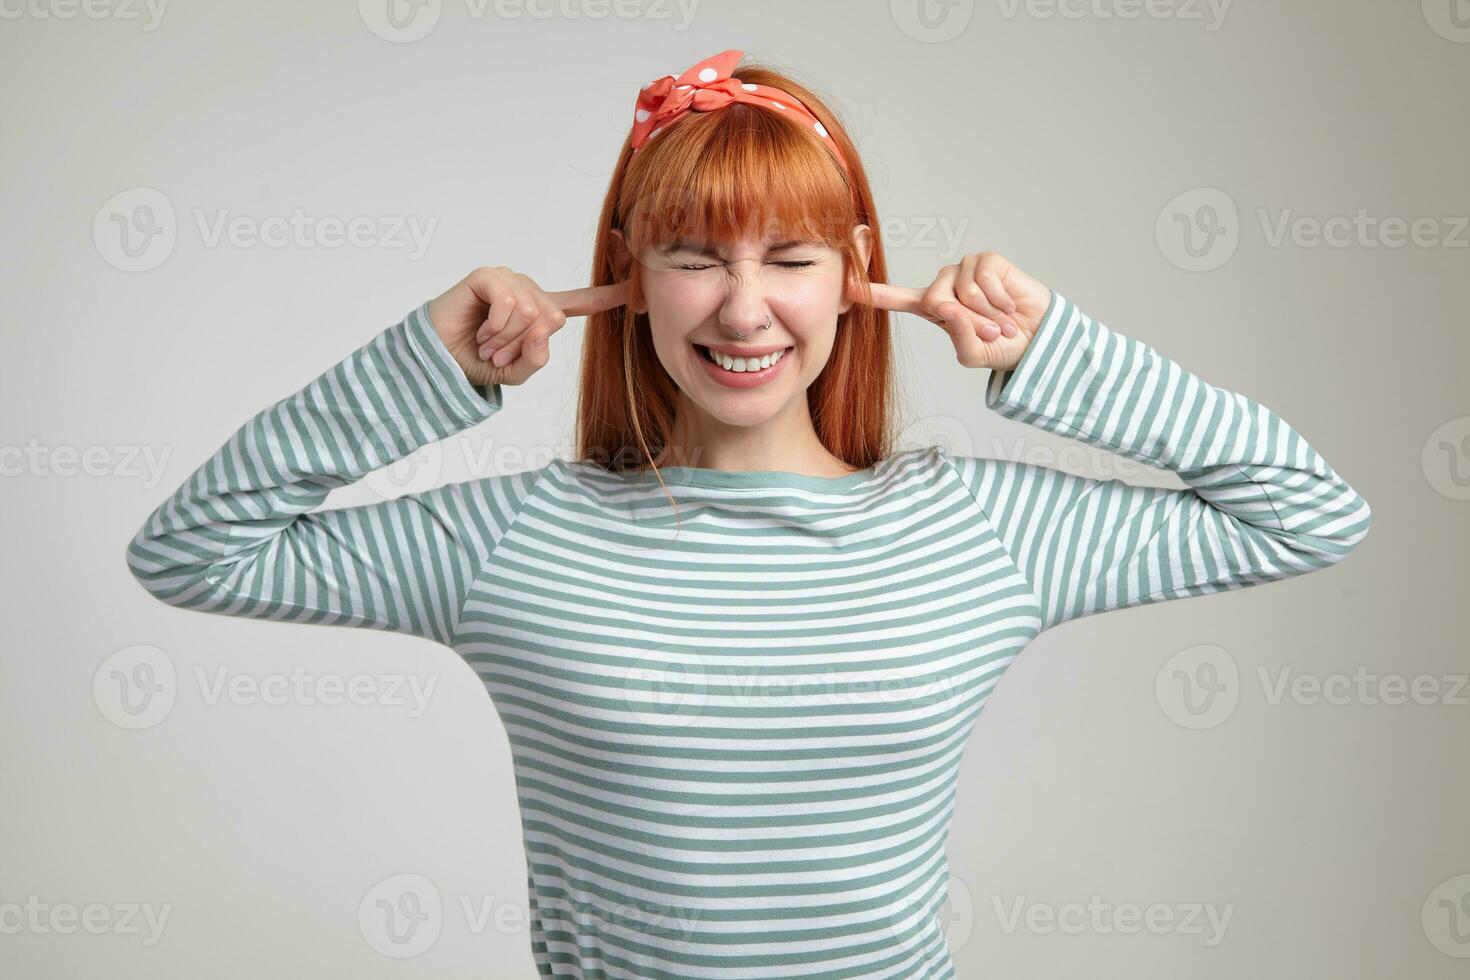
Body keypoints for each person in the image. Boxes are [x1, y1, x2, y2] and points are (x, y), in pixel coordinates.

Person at [125, 48, 1372, 980]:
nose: (741, 309)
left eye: (790, 258)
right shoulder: (515, 540)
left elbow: (1307, 511)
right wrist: (426, 361)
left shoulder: (975, 528)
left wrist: (1060, 353)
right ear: (627, 272)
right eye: (693, 255)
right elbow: (192, 550)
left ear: (856, 273)